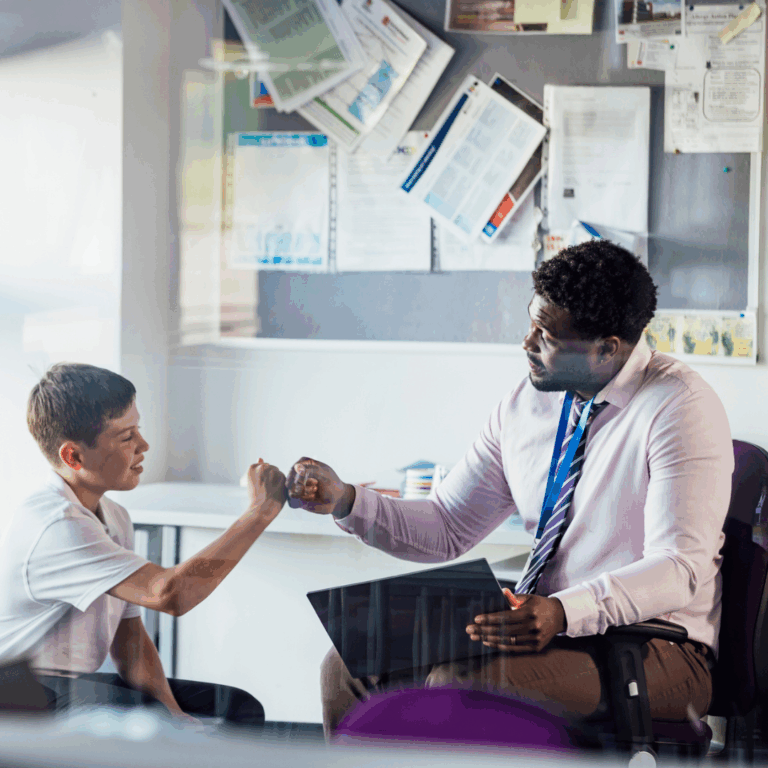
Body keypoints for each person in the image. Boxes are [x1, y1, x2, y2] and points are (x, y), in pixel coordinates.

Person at [286, 240, 733, 738]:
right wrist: (347, 499)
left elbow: (678, 568)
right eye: (531, 323)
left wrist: (565, 611)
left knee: (458, 684)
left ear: (608, 347)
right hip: (543, 628)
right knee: (347, 666)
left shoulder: (679, 408)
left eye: (547, 335)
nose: (526, 343)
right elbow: (447, 524)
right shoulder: (528, 404)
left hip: (655, 648)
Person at [0, 363, 286, 728]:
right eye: (126, 437)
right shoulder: (57, 525)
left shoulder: (114, 516)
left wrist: (175, 713)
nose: (143, 445)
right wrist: (260, 512)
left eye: (139, 429)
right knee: (149, 722)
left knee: (237, 707)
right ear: (73, 456)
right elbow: (173, 594)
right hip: (21, 696)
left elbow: (129, 636)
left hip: (75, 686)